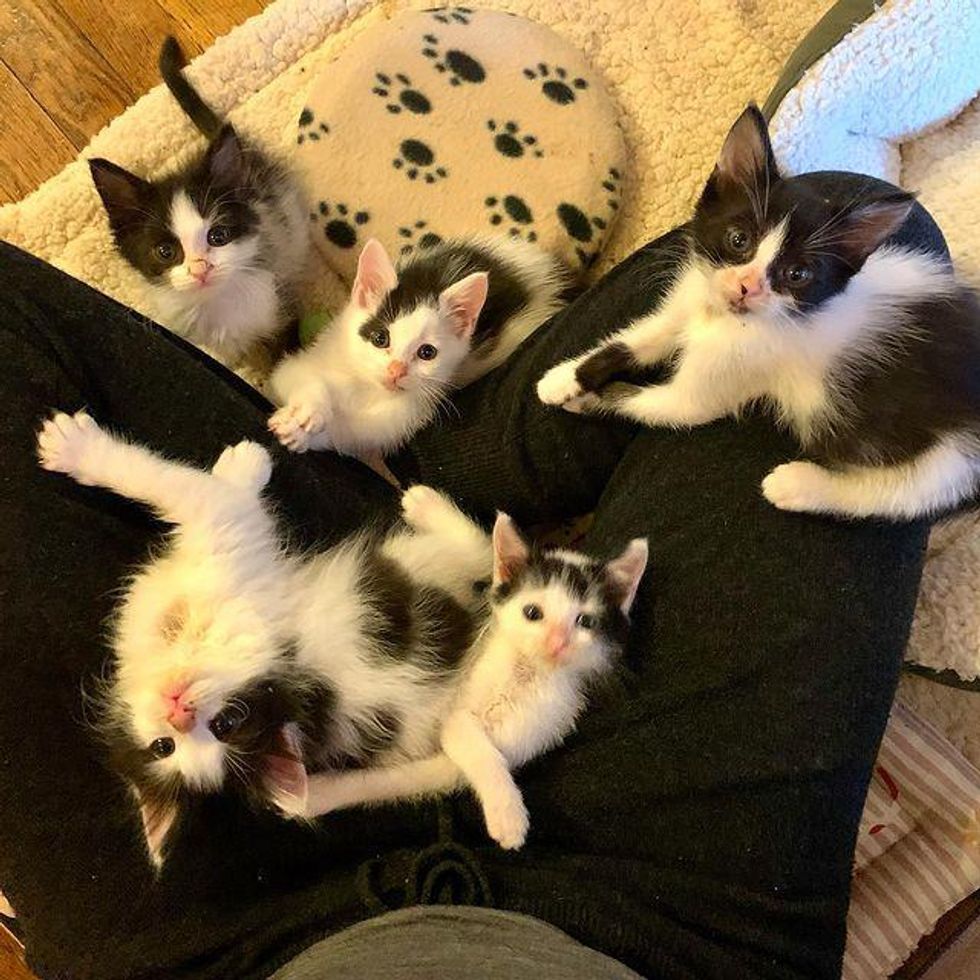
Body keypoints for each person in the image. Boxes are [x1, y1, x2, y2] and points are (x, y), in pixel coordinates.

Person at [0, 173, 942, 979]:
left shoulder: (174, 762)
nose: (171, 723)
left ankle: (448, 465)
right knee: (851, 235)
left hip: (221, 929)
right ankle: (473, 471)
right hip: (668, 925)